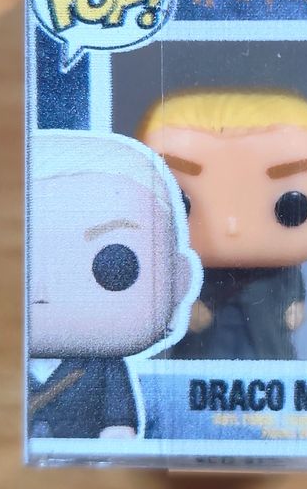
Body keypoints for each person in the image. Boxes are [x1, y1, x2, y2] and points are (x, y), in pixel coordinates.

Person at [27, 130, 202, 438]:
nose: (41, 290)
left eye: (113, 266)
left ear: (179, 281)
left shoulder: (105, 366)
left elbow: (119, 426)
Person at [138, 90, 307, 360]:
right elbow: (170, 293)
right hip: (207, 339)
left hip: (263, 331)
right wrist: (184, 310)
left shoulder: (278, 267)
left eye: (291, 204)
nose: (232, 226)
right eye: (182, 203)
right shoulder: (189, 266)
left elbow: (291, 280)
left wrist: (295, 303)